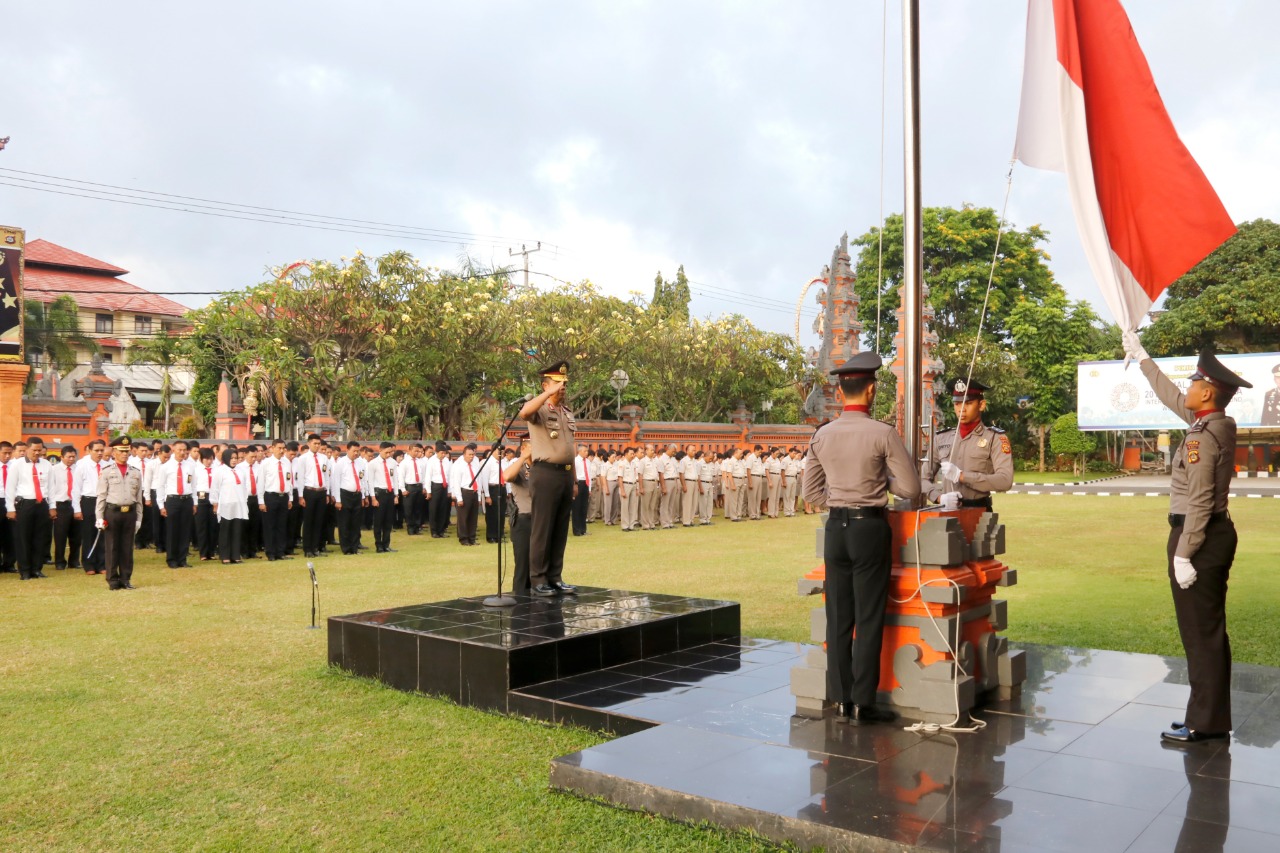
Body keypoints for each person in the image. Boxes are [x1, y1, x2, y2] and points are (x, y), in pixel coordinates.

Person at [1125, 334, 1252, 744]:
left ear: (1208, 390)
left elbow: (1198, 502)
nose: (1188, 390)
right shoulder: (1214, 423)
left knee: (1202, 633)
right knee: (1204, 631)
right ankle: (1205, 715)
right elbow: (1170, 397)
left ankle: (1206, 723)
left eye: (1194, 384)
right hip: (1209, 535)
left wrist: (1184, 553)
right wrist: (1143, 359)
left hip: (1198, 538)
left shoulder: (1200, 438)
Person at [802, 352, 921, 725]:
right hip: (869, 527)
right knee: (868, 617)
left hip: (835, 528)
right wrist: (879, 484)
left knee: (839, 615)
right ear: (870, 390)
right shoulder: (882, 433)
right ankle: (862, 703)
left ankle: (840, 700)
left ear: (841, 391)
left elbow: (810, 492)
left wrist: (838, 500)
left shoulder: (823, 434)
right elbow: (912, 488)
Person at [517, 360, 578, 596]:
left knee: (560, 529)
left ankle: (555, 576)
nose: (562, 387)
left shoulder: (567, 412)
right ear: (545, 385)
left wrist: (573, 480)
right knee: (542, 528)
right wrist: (548, 394)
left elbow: (570, 448)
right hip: (544, 473)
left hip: (564, 474)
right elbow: (524, 413)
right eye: (557, 383)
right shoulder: (539, 409)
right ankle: (538, 579)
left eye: (564, 383)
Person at [922, 378, 1015, 511]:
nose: (962, 409)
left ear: (981, 405)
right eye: (957, 404)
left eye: (968, 403)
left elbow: (1005, 481)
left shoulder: (995, 438)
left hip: (980, 512)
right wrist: (939, 497)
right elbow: (922, 478)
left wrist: (962, 476)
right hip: (947, 512)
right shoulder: (941, 438)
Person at [94, 436, 145, 589]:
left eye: (127, 451)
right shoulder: (107, 471)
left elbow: (139, 498)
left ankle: (125, 578)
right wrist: (99, 517)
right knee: (112, 547)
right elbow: (101, 496)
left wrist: (138, 519)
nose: (125, 454)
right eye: (121, 451)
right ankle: (112, 579)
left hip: (129, 512)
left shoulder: (135, 472)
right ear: (114, 452)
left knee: (127, 548)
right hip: (112, 512)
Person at [3, 436, 55, 580]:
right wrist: (10, 508)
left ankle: (36, 569)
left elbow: (51, 488)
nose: (37, 453)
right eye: (34, 450)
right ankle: (25, 570)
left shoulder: (46, 465)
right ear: (27, 449)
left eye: (40, 450)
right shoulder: (17, 465)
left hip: (41, 504)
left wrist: (52, 506)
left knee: (40, 538)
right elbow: (10, 488)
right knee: (23, 538)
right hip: (24, 504)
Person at [157, 440, 196, 569]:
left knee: (185, 530)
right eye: (179, 449)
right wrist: (161, 505)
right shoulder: (166, 467)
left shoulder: (190, 466)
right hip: (172, 500)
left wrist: (194, 502)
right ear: (173, 450)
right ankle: (172, 559)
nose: (182, 452)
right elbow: (160, 486)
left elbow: (193, 485)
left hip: (186, 499)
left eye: (184, 450)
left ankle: (182, 558)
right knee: (172, 530)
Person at [504, 439, 534, 594]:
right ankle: (520, 600)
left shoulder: (541, 468)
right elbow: (507, 476)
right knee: (523, 564)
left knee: (540, 565)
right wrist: (523, 457)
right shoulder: (519, 467)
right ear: (524, 448)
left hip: (541, 521)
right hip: (523, 520)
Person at [74, 439, 106, 575]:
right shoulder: (82, 465)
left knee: (102, 532)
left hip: (103, 501)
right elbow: (76, 488)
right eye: (96, 450)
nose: (99, 453)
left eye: (101, 450)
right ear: (89, 450)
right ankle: (89, 564)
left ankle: (102, 563)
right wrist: (77, 508)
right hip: (88, 501)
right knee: (89, 533)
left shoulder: (107, 465)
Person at [297, 434, 331, 558]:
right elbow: (300, 478)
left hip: (321, 491)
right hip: (309, 491)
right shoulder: (303, 458)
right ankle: (307, 549)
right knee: (309, 521)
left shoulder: (324, 458)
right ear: (309, 443)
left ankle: (315, 547)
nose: (317, 446)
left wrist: (326, 493)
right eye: (315, 443)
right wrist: (301, 496)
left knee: (319, 521)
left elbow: (326, 476)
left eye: (319, 444)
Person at [258, 439, 294, 562]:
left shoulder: (286, 462)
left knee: (282, 525)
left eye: (283, 448)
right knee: (270, 526)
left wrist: (290, 497)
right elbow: (261, 483)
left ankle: (280, 551)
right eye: (279, 448)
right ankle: (271, 552)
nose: (282, 451)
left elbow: (289, 481)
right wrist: (261, 501)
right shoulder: (266, 463)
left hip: (283, 496)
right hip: (270, 496)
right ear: (272, 448)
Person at [211, 448, 248, 564]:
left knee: (237, 530)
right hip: (226, 504)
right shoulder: (220, 471)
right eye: (231, 458)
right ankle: (225, 555)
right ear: (226, 458)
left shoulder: (241, 471)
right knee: (225, 531)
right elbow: (215, 488)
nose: (234, 460)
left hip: (238, 504)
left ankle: (236, 555)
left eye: (236, 458)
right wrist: (215, 503)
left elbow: (244, 487)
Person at [331, 441, 366, 555]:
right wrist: (338, 500)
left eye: (357, 451)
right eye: (354, 451)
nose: (356, 453)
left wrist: (363, 496)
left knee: (356, 523)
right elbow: (336, 482)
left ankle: (354, 547)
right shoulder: (341, 463)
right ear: (347, 450)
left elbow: (362, 480)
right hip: (345, 495)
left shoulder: (360, 462)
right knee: (345, 523)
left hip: (357, 495)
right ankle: (346, 548)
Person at [450, 442, 485, 547]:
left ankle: (472, 538)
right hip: (464, 492)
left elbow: (478, 480)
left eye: (473, 454)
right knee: (463, 517)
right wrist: (459, 498)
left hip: (474, 492)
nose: (471, 456)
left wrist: (478, 496)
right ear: (464, 454)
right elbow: (456, 482)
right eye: (469, 455)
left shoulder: (475, 464)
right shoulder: (459, 466)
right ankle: (464, 538)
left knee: (473, 517)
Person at [51, 446, 80, 570]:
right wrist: (52, 506)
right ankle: (59, 561)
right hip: (61, 504)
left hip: (76, 503)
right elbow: (51, 489)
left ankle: (74, 561)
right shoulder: (54, 470)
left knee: (77, 535)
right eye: (69, 457)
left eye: (73, 457)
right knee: (60, 535)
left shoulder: (78, 469)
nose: (71, 459)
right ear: (62, 457)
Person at [368, 441, 400, 553]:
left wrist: (396, 495)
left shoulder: (392, 462)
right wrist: (373, 498)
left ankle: (386, 544)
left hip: (390, 493)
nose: (388, 455)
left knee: (388, 521)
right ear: (380, 450)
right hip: (379, 493)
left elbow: (395, 479)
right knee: (378, 521)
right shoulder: (373, 463)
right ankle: (379, 545)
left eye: (390, 452)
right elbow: (370, 482)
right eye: (386, 452)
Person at [193, 447, 219, 561]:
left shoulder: (216, 469)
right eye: (206, 459)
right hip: (201, 496)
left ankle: (211, 552)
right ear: (201, 459)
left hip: (213, 497)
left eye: (211, 459)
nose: (209, 461)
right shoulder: (196, 469)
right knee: (202, 526)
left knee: (213, 526)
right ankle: (203, 553)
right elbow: (193, 486)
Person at [399, 443, 427, 536]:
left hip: (419, 486)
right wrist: (403, 489)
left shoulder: (420, 462)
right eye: (415, 451)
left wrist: (424, 487)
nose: (417, 453)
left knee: (418, 508)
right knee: (409, 509)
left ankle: (417, 527)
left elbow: (424, 475)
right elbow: (401, 477)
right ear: (409, 450)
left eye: (418, 451)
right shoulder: (404, 462)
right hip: (410, 487)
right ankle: (410, 528)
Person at [427, 441, 452, 538]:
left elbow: (449, 476)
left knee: (443, 508)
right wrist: (428, 491)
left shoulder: (446, 461)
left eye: (444, 453)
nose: (443, 455)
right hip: (435, 486)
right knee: (434, 509)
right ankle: (434, 531)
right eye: (441, 453)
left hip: (444, 486)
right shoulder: (431, 461)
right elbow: (428, 476)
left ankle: (441, 530)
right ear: (436, 452)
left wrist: (449, 490)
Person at [638, 445, 660, 531]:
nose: (653, 451)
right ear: (646, 451)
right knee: (645, 505)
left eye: (653, 450)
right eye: (651, 450)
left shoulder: (654, 461)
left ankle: (652, 523)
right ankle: (646, 525)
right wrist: (641, 487)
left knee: (652, 505)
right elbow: (640, 474)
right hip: (646, 483)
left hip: (654, 483)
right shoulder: (643, 461)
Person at [571, 445, 591, 536]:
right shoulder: (575, 461)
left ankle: (583, 529)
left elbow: (589, 475)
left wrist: (589, 488)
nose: (587, 453)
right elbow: (572, 474)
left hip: (585, 484)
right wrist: (574, 486)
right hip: (578, 484)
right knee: (576, 507)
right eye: (585, 451)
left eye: (587, 451)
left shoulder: (587, 461)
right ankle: (576, 530)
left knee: (584, 508)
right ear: (579, 451)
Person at [619, 446, 639, 532]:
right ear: (626, 454)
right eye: (631, 454)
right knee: (625, 507)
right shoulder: (622, 464)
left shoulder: (633, 463)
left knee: (633, 506)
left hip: (633, 485)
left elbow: (635, 476)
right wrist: (622, 490)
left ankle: (631, 525)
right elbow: (620, 478)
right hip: (625, 485)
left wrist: (637, 488)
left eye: (634, 453)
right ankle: (625, 526)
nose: (633, 455)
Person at [0, 441, 13, 574]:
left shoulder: (15, 466)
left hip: (11, 501)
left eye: (10, 453)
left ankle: (9, 564)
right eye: (5, 453)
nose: (8, 456)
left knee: (10, 534)